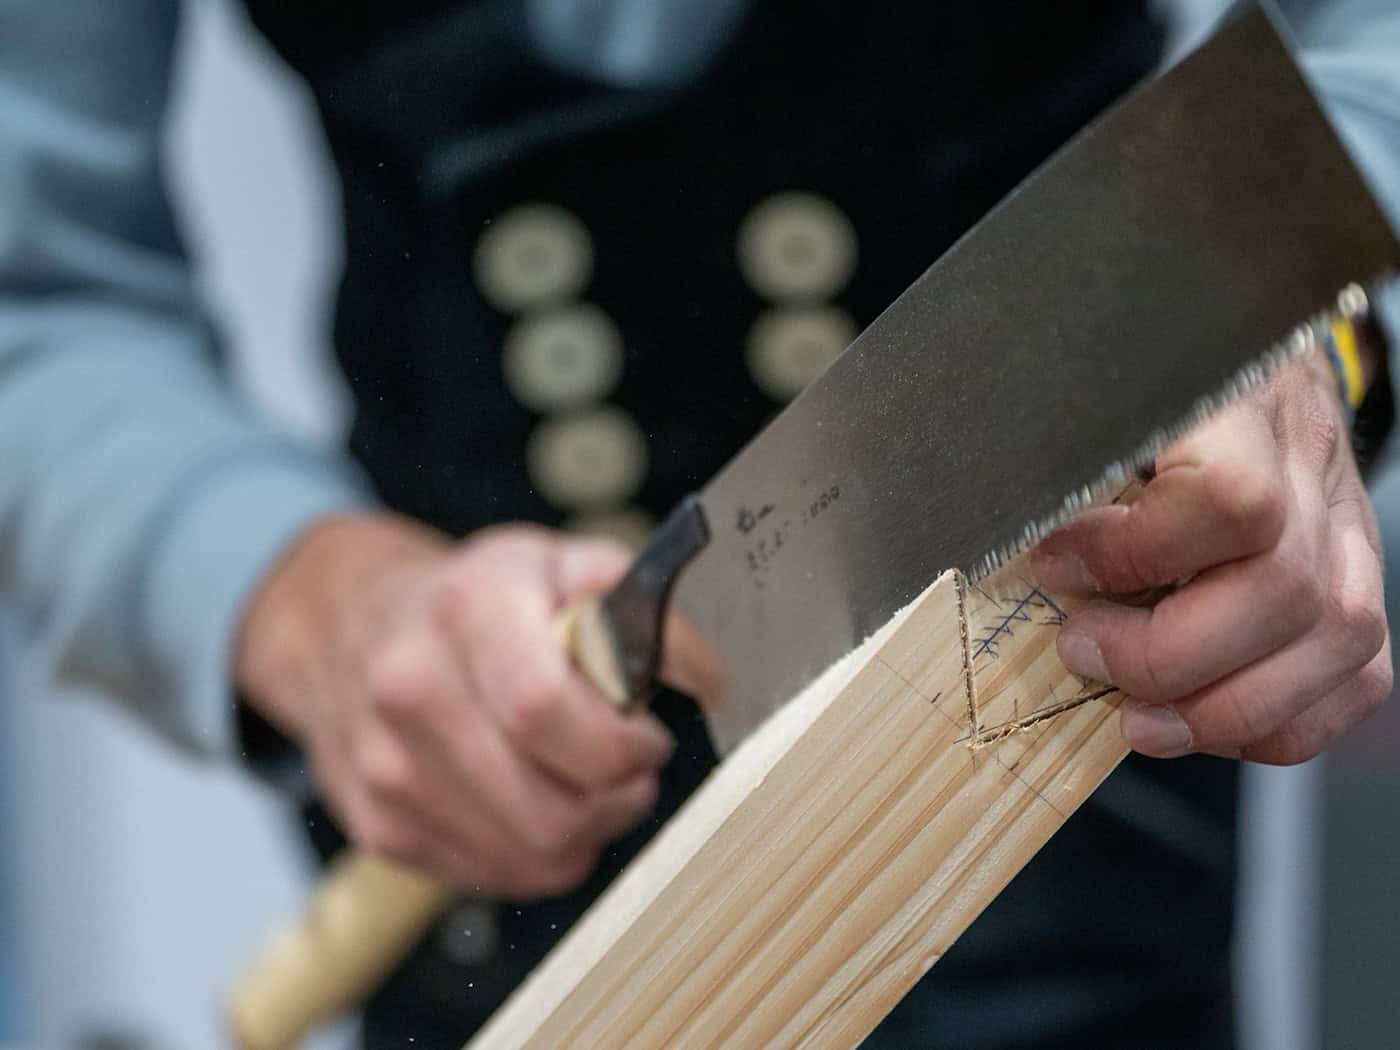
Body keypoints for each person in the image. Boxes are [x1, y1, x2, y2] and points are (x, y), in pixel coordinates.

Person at [2, 1, 1398, 1046]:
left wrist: (1308, 331)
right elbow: (36, 297)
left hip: (1066, 781)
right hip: (499, 857)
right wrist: (316, 606)